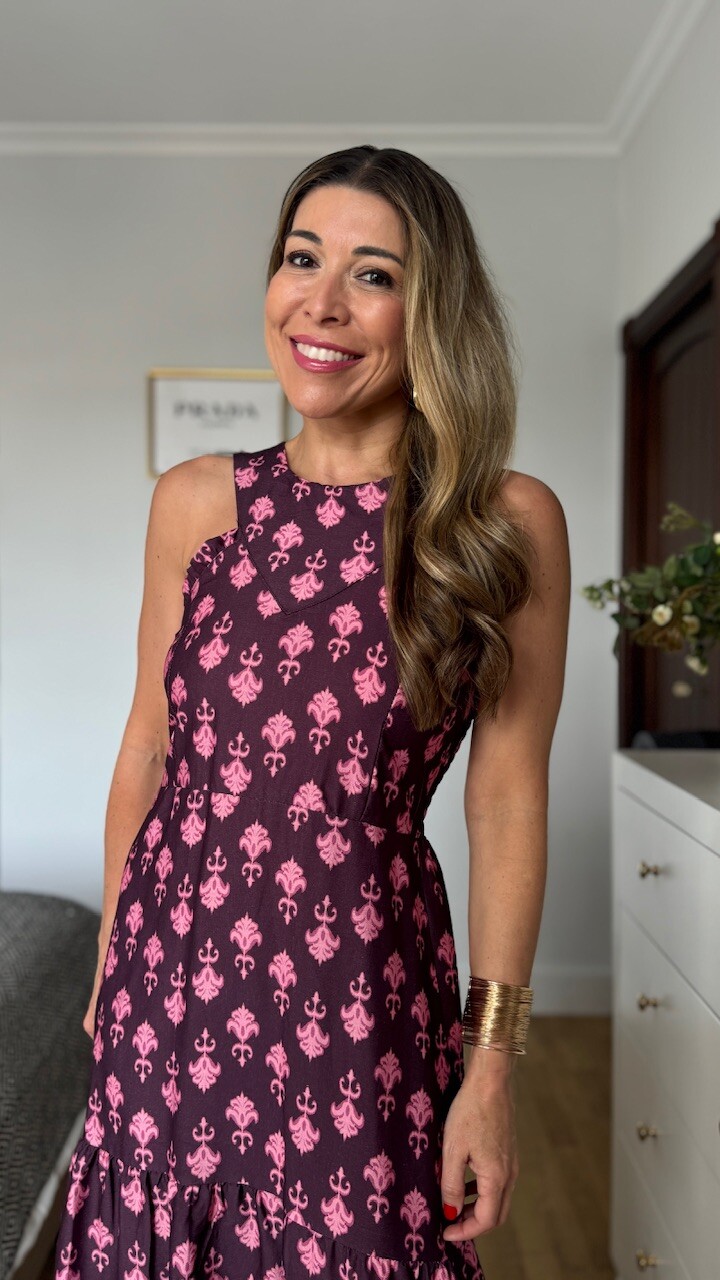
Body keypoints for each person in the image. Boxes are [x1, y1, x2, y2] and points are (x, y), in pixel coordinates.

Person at [54, 144, 570, 1280]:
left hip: (362, 1009)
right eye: (301, 259)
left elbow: (506, 803)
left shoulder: (501, 524)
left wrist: (492, 1067)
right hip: (169, 989)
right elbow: (149, 747)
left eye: (373, 274)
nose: (321, 303)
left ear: (431, 313)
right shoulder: (197, 502)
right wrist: (109, 952)